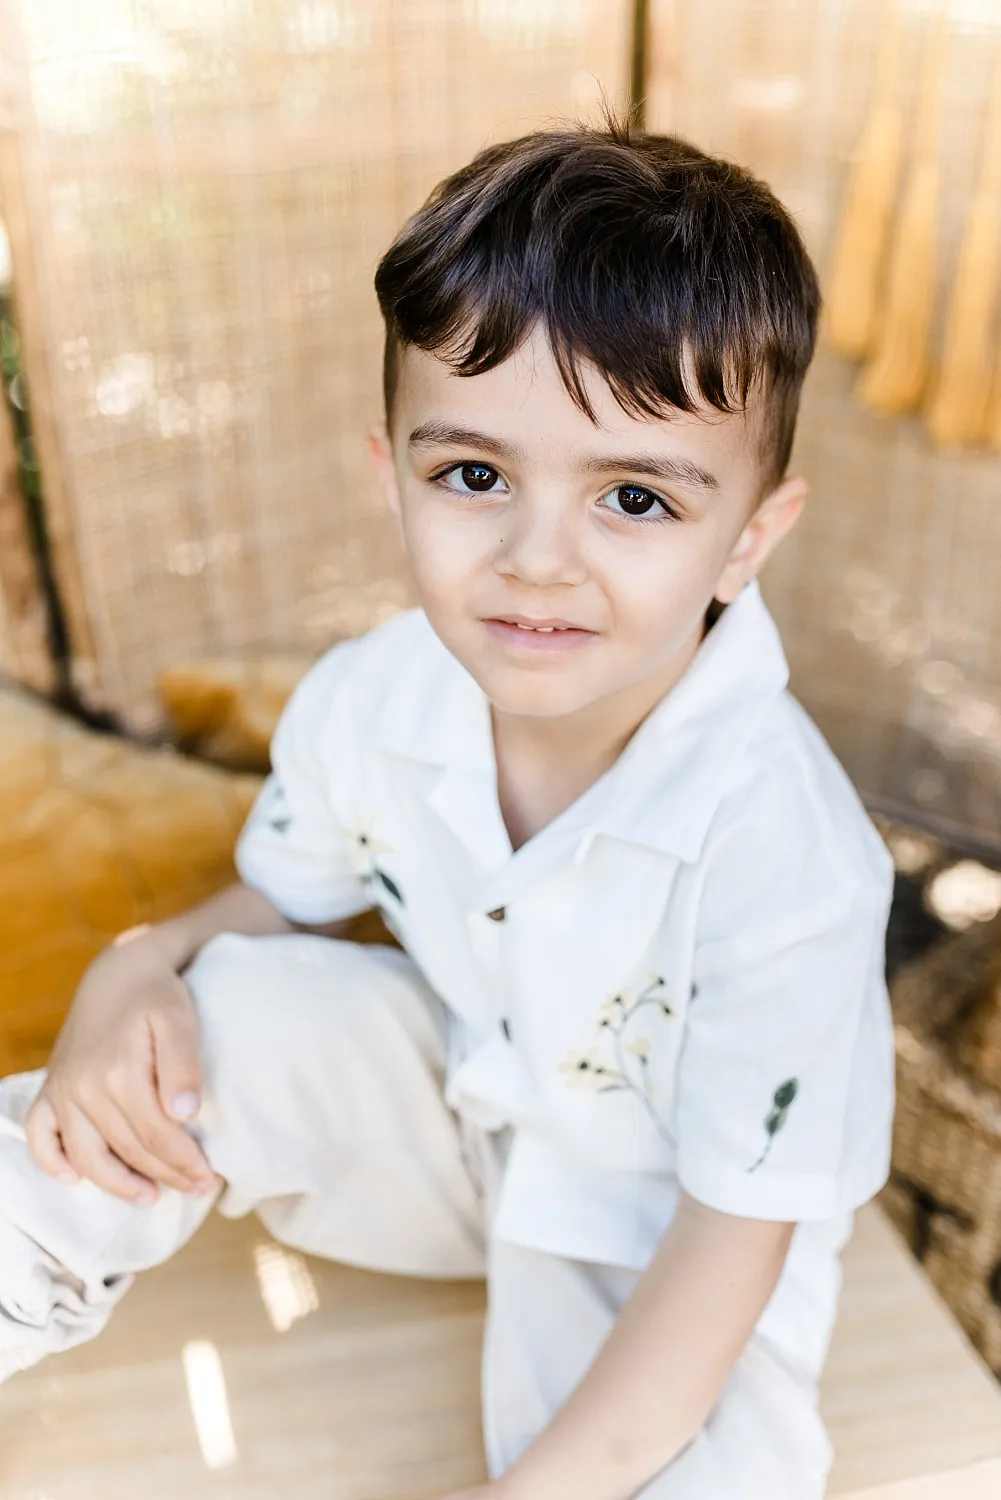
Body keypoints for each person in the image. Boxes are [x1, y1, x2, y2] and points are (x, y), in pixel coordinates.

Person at [0, 119, 895, 1500]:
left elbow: (732, 1247)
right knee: (200, 1026)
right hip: (463, 1122)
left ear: (750, 539)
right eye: (474, 477)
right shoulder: (375, 699)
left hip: (669, 1235)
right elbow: (275, 905)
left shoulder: (790, 857)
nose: (538, 561)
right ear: (394, 478)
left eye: (636, 497)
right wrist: (139, 964)